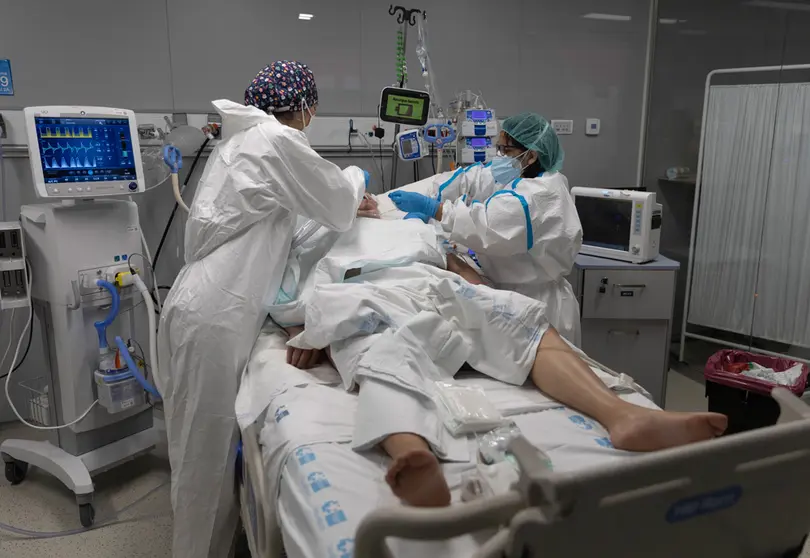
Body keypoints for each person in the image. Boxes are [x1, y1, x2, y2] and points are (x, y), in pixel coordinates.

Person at [280, 218, 727, 508]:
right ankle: (413, 453)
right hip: (361, 292)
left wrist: (483, 293)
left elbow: (467, 274)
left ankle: (623, 416)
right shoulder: (314, 233)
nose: (362, 200)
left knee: (523, 322)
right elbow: (289, 299)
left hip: (426, 281)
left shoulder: (412, 225)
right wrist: (311, 331)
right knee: (384, 351)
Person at [155, 60, 375, 558]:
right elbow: (338, 200)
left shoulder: (241, 142)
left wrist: (340, 210)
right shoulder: (277, 142)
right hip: (215, 314)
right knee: (203, 461)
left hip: (204, 303)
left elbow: (287, 227)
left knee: (196, 448)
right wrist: (359, 178)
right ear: (306, 107)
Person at [388, 112, 583, 344]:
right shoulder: (524, 173)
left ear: (530, 155)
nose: (499, 156)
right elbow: (474, 178)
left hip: (537, 303)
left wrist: (433, 208)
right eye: (498, 148)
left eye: (505, 150)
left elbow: (484, 226)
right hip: (513, 290)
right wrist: (430, 194)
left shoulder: (538, 196)